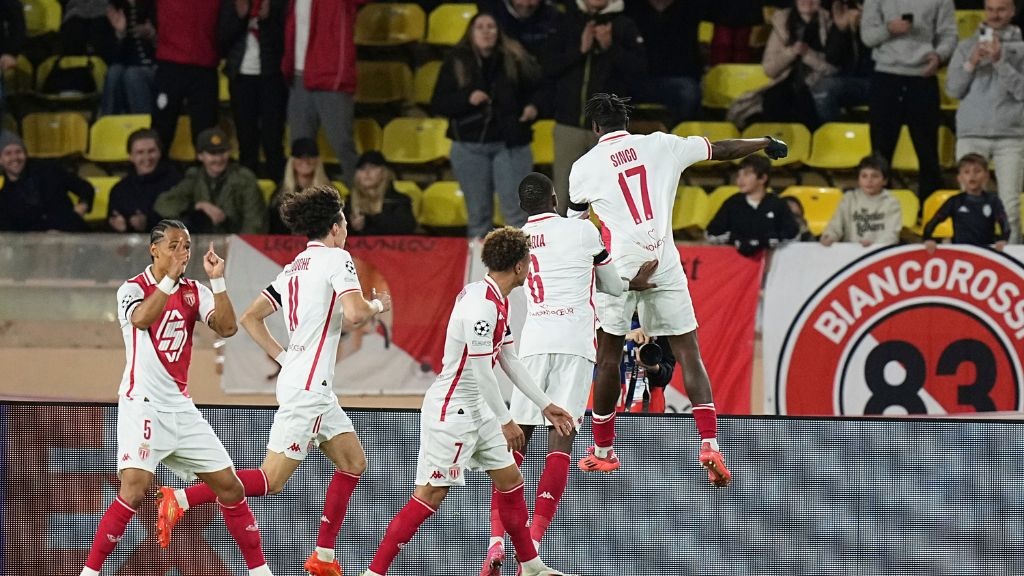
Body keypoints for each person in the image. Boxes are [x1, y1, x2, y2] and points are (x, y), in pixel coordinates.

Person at [157, 185, 392, 576]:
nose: (348, 228)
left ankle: (324, 557)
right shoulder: (338, 259)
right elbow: (354, 314)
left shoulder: (295, 267)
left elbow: (250, 318)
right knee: (271, 480)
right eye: (345, 222)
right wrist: (377, 305)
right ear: (335, 227)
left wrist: (286, 358)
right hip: (310, 388)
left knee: (353, 462)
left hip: (304, 381)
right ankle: (181, 498)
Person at [567, 93, 788, 484]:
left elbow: (576, 228)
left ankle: (603, 451)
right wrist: (765, 143)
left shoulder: (583, 168)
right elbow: (720, 149)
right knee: (689, 351)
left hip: (618, 264)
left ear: (596, 128)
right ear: (627, 123)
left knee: (607, 358)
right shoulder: (661, 144)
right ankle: (710, 443)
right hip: (665, 259)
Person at [361, 227, 579, 576]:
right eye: (528, 260)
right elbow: (481, 371)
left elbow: (507, 358)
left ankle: (532, 566)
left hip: (478, 409)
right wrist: (507, 420)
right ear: (520, 267)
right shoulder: (481, 306)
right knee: (430, 495)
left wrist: (544, 404)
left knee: (511, 482)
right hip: (453, 412)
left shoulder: (495, 297)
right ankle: (374, 572)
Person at [80, 219, 274, 576]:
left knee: (230, 487)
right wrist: (168, 279)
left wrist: (217, 281)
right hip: (143, 404)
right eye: (173, 246)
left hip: (180, 407)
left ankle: (259, 571)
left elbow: (228, 327)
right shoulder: (132, 289)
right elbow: (141, 320)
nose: (181, 253)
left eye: (186, 246)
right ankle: (89, 572)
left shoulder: (193, 290)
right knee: (135, 490)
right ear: (154, 249)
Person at [479, 172, 632, 575]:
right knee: (560, 441)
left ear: (522, 205)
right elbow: (614, 288)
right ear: (553, 197)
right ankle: (531, 547)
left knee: (515, 445)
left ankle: (495, 541)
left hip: (531, 345)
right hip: (574, 345)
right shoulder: (582, 232)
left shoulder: (516, 240)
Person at [431, 12, 541, 238]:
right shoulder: (456, 61)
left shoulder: (516, 58)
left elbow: (541, 90)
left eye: (491, 26)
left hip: (511, 144)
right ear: (471, 32)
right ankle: (481, 270)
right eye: (480, 27)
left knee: (516, 215)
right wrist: (467, 98)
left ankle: (523, 270)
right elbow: (439, 103)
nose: (486, 31)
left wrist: (534, 107)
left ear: (499, 32)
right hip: (469, 145)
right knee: (478, 217)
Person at [544, 0, 647, 214]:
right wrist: (579, 50)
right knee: (563, 194)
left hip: (610, 130)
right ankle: (564, 245)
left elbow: (640, 71)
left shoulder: (625, 25)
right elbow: (547, 66)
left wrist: (611, 47)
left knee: (611, 195)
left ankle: (610, 247)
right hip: (568, 124)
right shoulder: (566, 21)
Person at [861, 0, 957, 201]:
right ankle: (878, 210)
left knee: (928, 152)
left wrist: (939, 56)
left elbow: (948, 34)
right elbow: (867, 37)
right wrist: (888, 29)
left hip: (922, 77)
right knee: (880, 151)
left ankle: (929, 211)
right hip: (886, 77)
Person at [946, 0, 1024, 242]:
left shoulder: (1022, 49)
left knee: (1009, 205)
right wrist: (971, 63)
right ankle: (971, 260)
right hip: (972, 133)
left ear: (1012, 11)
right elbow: (953, 90)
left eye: (1001, 9)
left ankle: (1011, 264)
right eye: (990, 9)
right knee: (967, 205)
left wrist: (1001, 61)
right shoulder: (966, 45)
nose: (995, 15)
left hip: (1010, 135)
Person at [283, 0, 363, 186]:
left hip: (331, 77)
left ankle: (362, 201)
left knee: (342, 144)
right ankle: (301, 204)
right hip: (298, 76)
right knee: (300, 150)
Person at [728, 0, 836, 129]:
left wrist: (807, 54)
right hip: (783, 83)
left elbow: (833, 68)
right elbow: (769, 70)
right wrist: (790, 53)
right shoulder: (782, 24)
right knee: (774, 99)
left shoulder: (831, 24)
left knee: (806, 100)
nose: (807, 1)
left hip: (816, 84)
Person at [219, 0, 288, 179]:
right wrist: (240, 18)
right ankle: (246, 187)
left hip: (271, 78)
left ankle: (280, 191)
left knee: (273, 139)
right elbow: (221, 41)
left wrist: (267, 19)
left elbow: (283, 44)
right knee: (246, 138)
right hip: (241, 78)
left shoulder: (278, 4)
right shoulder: (233, 4)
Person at [154, 127, 268, 234]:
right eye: (212, 153)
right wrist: (197, 206)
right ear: (200, 156)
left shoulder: (245, 179)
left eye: (222, 152)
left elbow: (255, 224)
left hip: (237, 244)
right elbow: (163, 204)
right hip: (203, 245)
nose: (218, 159)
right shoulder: (194, 177)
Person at [151, 0, 221, 151]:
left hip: (204, 68)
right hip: (169, 66)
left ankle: (204, 175)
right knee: (160, 132)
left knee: (205, 135)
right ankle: (155, 174)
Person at [626, 0, 705, 123]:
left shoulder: (691, 8)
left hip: (677, 81)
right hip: (634, 81)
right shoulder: (628, 9)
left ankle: (675, 136)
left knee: (689, 91)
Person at [0, 131, 95, 232]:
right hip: (36, 245)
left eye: (19, 152)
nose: (15, 158)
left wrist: (82, 206)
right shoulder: (4, 198)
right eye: (8, 154)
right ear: (0, 160)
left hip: (73, 234)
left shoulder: (48, 169)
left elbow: (85, 187)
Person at [706, 154, 799, 255]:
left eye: (746, 174)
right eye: (738, 175)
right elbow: (711, 233)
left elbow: (793, 233)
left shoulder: (777, 204)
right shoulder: (732, 203)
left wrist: (771, 240)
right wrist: (734, 239)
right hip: (736, 264)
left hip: (772, 263)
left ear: (763, 178)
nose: (740, 180)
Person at [923, 152, 1009, 250]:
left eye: (977, 171)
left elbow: (1005, 224)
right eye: (967, 172)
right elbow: (933, 222)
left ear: (986, 176)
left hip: (986, 251)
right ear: (959, 178)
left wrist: (1003, 240)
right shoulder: (954, 202)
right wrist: (928, 239)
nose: (972, 176)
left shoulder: (993, 201)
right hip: (961, 251)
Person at [107, 128, 181, 233]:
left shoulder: (176, 182)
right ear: (131, 156)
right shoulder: (119, 190)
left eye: (151, 151)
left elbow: (183, 223)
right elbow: (109, 229)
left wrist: (149, 223)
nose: (147, 157)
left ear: (160, 153)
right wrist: (119, 227)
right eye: (140, 152)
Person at [819, 154, 903, 247]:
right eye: (864, 176)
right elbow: (836, 225)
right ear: (858, 179)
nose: (869, 180)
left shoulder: (891, 202)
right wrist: (830, 236)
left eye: (874, 176)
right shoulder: (849, 198)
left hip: (878, 252)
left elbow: (892, 235)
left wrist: (875, 245)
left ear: (885, 181)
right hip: (850, 251)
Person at [815, 0, 872, 123]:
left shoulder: (881, 8)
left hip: (878, 79)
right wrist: (840, 29)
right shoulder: (836, 11)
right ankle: (832, 136)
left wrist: (866, 26)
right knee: (820, 89)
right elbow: (832, 57)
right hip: (845, 79)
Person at [100, 0, 157, 116]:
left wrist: (152, 34)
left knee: (133, 75)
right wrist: (120, 34)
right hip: (127, 66)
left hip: (155, 66)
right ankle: (107, 125)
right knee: (114, 73)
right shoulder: (116, 9)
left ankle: (145, 128)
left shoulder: (156, 5)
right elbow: (109, 57)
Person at [343, 151, 417, 236]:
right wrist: (352, 227)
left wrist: (368, 221)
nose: (367, 172)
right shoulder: (349, 203)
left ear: (384, 172)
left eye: (373, 167)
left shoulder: (398, 201)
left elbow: (406, 227)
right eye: (362, 168)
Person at [269, 137, 331, 234]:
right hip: (286, 246)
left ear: (317, 160)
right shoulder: (279, 194)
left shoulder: (330, 193)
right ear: (292, 161)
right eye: (300, 156)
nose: (305, 161)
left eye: (310, 156)